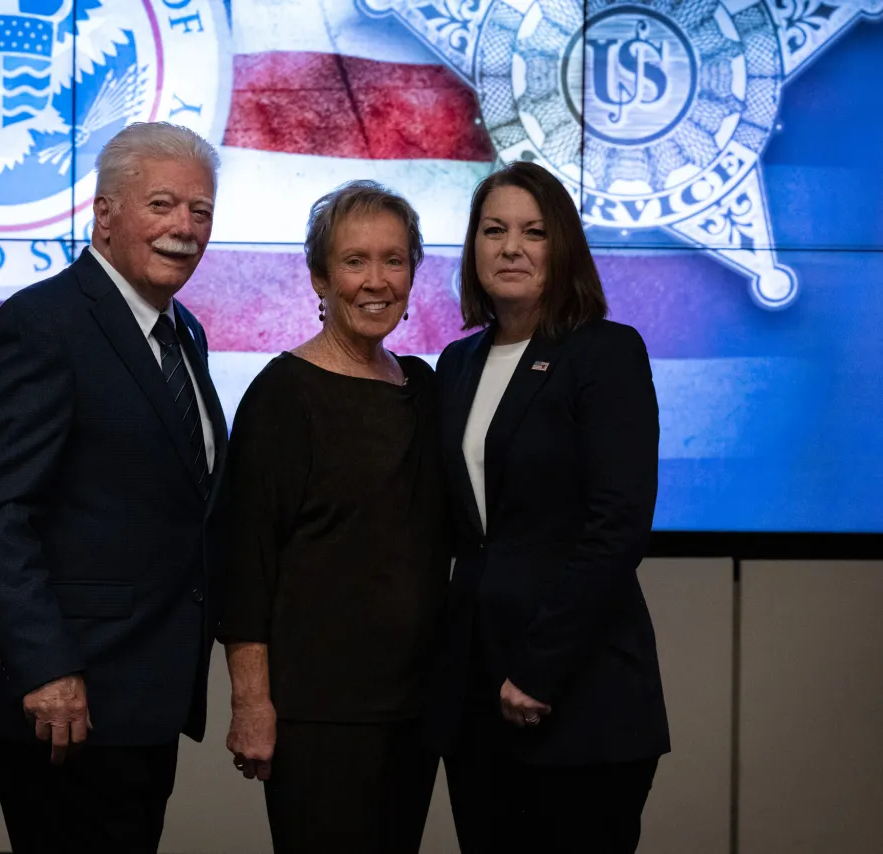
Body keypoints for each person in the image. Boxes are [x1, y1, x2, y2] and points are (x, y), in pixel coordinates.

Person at [0, 122, 228, 853]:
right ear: (104, 214)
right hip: (66, 700)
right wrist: (48, 670)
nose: (184, 228)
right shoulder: (44, 324)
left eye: (200, 211)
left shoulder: (183, 333)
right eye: (163, 205)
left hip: (142, 695)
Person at [427, 160, 670, 852]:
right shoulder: (457, 364)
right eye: (493, 229)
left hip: (579, 694)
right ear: (472, 247)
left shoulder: (606, 353)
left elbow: (616, 526)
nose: (511, 247)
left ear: (562, 247)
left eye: (533, 232)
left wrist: (539, 669)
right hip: (475, 698)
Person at [218, 180, 446, 854]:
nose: (375, 281)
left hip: (417, 706)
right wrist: (250, 702)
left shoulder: (425, 391)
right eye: (354, 261)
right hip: (318, 714)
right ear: (320, 276)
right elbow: (246, 565)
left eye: (394, 260)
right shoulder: (282, 397)